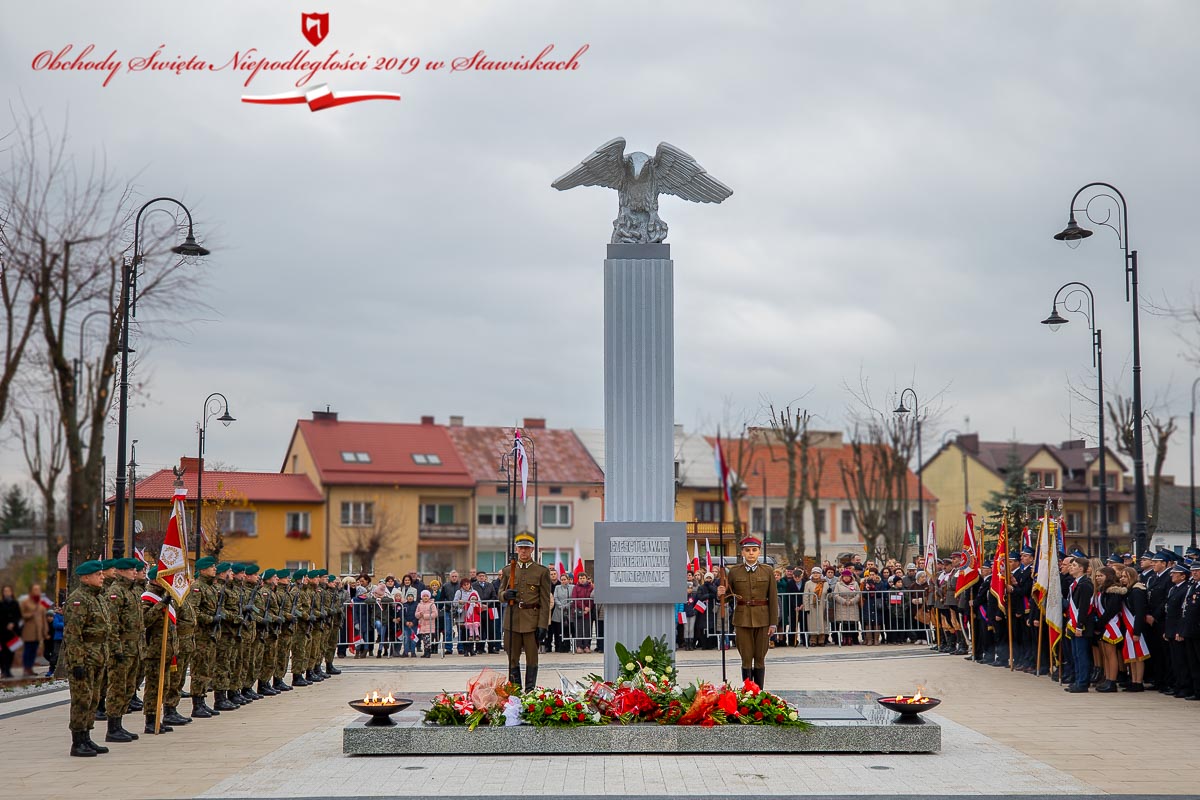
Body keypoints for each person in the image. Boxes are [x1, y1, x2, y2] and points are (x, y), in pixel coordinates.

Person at [62, 560, 112, 757]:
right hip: (85, 657)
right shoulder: (79, 599)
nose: (102, 577)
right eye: (98, 574)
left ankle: (87, 736)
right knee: (82, 699)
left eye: (101, 574)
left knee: (93, 698)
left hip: (98, 654)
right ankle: (77, 741)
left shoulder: (98, 598)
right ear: (85, 577)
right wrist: (77, 662)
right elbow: (73, 635)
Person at [718, 536, 778, 688]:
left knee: (760, 657)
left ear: (759, 552)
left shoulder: (768, 571)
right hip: (742, 619)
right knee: (746, 657)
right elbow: (728, 597)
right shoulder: (734, 572)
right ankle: (747, 692)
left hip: (763, 619)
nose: (751, 553)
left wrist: (773, 623)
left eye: (754, 550)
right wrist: (721, 594)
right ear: (742, 553)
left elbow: (773, 598)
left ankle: (759, 692)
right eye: (747, 550)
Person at [498, 532, 552, 690]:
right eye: (520, 548)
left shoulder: (541, 571)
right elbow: (500, 594)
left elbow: (544, 600)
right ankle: (515, 691)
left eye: (526, 548)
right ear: (516, 549)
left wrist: (543, 625)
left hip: (531, 621)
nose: (523, 551)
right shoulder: (508, 570)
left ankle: (530, 691)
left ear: (532, 550)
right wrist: (505, 595)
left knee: (532, 659)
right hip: (512, 620)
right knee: (512, 658)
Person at [1090, 565, 1123, 693]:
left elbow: (1111, 610)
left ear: (1108, 576)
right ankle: (1107, 678)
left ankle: (1112, 681)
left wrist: (1100, 624)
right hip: (1103, 625)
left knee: (1111, 654)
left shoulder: (1114, 591)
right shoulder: (1102, 590)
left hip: (1111, 625)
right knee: (1105, 654)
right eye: (1097, 576)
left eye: (1101, 576)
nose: (1098, 578)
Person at [1065, 556, 1095, 693]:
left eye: (1074, 565)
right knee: (1076, 654)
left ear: (1082, 569)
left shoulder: (1085, 584)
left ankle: (1083, 682)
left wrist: (1079, 625)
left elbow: (1084, 607)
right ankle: (1077, 680)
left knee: (1082, 654)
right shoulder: (1075, 584)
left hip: (1081, 625)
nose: (1071, 567)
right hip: (1073, 623)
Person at [1119, 565, 1150, 692]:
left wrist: (1136, 631)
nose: (1122, 579)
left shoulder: (1137, 591)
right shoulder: (1128, 590)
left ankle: (1138, 681)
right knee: (1132, 654)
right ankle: (1133, 680)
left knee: (1138, 655)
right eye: (1121, 576)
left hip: (1136, 627)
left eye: (1125, 577)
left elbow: (1139, 612)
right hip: (1129, 626)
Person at [18, 583, 49, 676]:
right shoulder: (26, 602)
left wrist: (45, 631)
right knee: (28, 650)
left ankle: (30, 668)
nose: (37, 591)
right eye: (35, 589)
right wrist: (30, 615)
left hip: (38, 632)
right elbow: (21, 615)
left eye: (38, 589)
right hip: (28, 631)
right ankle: (25, 668)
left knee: (34, 651)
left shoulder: (41, 603)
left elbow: (44, 618)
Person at [832, 569, 861, 645]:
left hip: (852, 605)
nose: (846, 578)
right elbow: (835, 595)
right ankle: (844, 638)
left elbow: (858, 594)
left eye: (848, 576)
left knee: (852, 623)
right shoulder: (838, 584)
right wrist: (843, 601)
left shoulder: (855, 584)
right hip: (842, 605)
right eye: (845, 576)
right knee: (844, 623)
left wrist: (852, 601)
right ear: (842, 577)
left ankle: (852, 638)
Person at [802, 566, 828, 646]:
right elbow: (806, 596)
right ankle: (813, 640)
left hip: (822, 605)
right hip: (812, 606)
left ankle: (821, 639)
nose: (816, 574)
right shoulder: (808, 583)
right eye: (814, 573)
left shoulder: (825, 583)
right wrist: (806, 607)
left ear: (820, 574)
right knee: (812, 623)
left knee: (822, 623)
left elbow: (829, 596)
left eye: (817, 573)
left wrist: (829, 592)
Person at [570, 573, 595, 653]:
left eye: (583, 578)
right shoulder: (575, 588)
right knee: (578, 629)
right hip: (578, 612)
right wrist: (584, 607)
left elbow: (592, 598)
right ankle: (579, 646)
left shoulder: (590, 587)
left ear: (586, 578)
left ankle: (587, 646)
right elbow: (575, 599)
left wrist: (589, 608)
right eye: (580, 578)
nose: (582, 579)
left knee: (588, 629)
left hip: (588, 612)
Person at [1, 585, 20, 678]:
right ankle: (3, 669)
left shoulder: (15, 604)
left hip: (12, 632)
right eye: (5, 591)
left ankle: (8, 670)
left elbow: (18, 616)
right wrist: (6, 624)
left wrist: (13, 623)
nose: (7, 593)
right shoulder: (1, 604)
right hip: (3, 632)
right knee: (3, 652)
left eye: (8, 591)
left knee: (11, 652)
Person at [551, 572, 572, 653]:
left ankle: (567, 646)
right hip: (558, 610)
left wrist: (567, 606)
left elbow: (573, 598)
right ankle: (558, 646)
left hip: (568, 611)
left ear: (568, 580)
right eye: (562, 580)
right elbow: (555, 597)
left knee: (567, 630)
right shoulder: (557, 587)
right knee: (558, 630)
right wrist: (561, 606)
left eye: (565, 579)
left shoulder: (571, 587)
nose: (563, 581)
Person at [415, 590, 437, 657]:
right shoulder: (419, 605)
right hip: (422, 625)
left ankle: (428, 652)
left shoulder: (432, 605)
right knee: (424, 640)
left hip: (429, 625)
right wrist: (419, 614)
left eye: (427, 596)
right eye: (424, 596)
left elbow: (435, 614)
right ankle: (425, 652)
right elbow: (416, 614)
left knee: (428, 639)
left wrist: (425, 616)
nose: (425, 597)